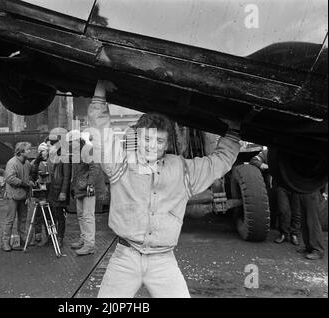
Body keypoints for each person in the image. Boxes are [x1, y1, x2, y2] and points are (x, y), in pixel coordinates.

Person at [87, 80, 241, 298]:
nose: (151, 146)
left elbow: (220, 161)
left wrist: (234, 131)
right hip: (125, 257)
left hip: (163, 261)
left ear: (168, 144)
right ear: (137, 137)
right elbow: (101, 131)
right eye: (147, 139)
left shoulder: (183, 170)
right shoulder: (120, 164)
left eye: (159, 141)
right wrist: (100, 91)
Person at [252, 149, 300, 245]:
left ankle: (294, 234)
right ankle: (284, 234)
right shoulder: (268, 153)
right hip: (281, 186)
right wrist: (263, 165)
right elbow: (254, 160)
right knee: (283, 210)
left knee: (297, 212)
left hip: (297, 186)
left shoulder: (296, 151)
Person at [31, 135, 71, 248]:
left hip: (59, 191)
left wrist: (63, 192)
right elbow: (35, 172)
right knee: (49, 216)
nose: (48, 148)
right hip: (50, 191)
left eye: (49, 145)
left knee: (59, 215)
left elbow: (67, 177)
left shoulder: (64, 158)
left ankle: (60, 238)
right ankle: (50, 237)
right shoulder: (49, 158)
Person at [70, 133, 106, 256]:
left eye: (72, 142)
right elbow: (77, 172)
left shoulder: (87, 150)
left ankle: (89, 244)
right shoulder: (78, 152)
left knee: (88, 216)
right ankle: (85, 239)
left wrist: (90, 184)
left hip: (87, 188)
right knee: (81, 215)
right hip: (80, 187)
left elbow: (95, 167)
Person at [2, 142, 33, 252]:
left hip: (23, 195)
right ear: (21, 151)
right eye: (28, 149)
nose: (30, 151)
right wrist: (24, 183)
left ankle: (22, 240)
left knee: (23, 219)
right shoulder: (12, 163)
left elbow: (29, 176)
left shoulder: (27, 163)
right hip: (13, 195)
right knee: (10, 219)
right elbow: (9, 178)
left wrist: (30, 182)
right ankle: (5, 242)